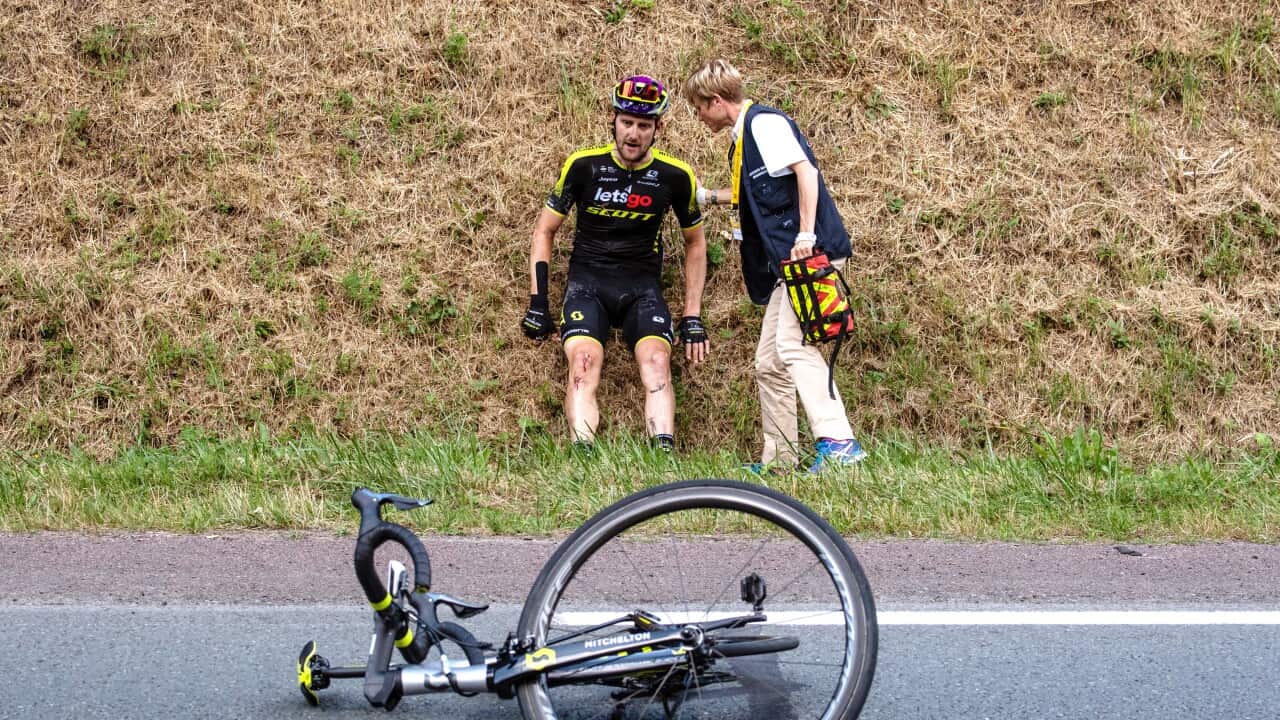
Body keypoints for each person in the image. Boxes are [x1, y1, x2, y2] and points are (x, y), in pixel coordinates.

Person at [683, 59, 867, 472]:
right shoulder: (743, 140)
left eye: (698, 107)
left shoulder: (764, 124)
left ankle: (839, 442)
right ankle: (780, 460)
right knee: (769, 360)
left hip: (810, 256)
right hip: (790, 266)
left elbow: (806, 173)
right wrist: (708, 197)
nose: (698, 116)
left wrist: (805, 236)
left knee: (792, 345)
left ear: (716, 100)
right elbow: (753, 194)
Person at [521, 74, 710, 452]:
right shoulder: (583, 165)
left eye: (644, 125)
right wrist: (538, 303)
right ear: (613, 120)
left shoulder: (675, 176)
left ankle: (662, 453)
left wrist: (692, 315)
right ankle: (583, 455)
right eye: (627, 122)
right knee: (583, 365)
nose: (633, 134)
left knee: (658, 362)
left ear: (659, 128)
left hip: (641, 288)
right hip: (588, 284)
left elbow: (695, 245)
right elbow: (544, 232)